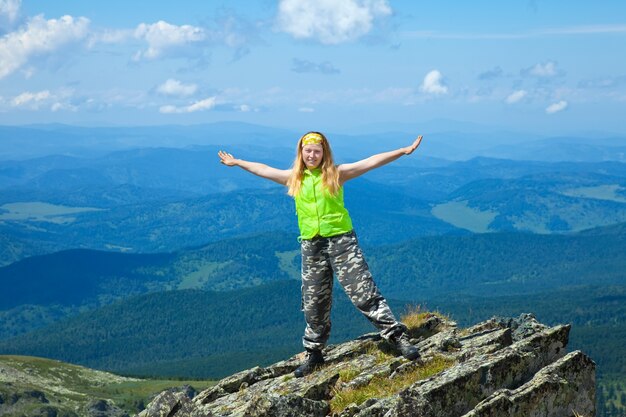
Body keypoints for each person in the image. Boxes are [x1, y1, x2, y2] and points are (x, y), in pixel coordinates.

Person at [218, 131, 423, 377]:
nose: (312, 155)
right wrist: (238, 162)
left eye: (317, 151)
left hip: (342, 242)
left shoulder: (336, 174)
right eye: (308, 151)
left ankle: (398, 337)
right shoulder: (294, 179)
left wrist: (403, 151)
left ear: (324, 153)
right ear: (301, 153)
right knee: (314, 302)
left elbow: (370, 162)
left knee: (364, 293)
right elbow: (262, 169)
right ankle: (314, 354)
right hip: (311, 246)